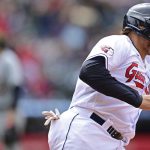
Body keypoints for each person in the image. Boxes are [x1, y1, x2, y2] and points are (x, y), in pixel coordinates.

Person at [42, 3, 150, 150]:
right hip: (87, 130)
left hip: (114, 141)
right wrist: (136, 99)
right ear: (142, 26)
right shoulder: (120, 43)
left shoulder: (146, 64)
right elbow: (91, 72)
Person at [0, 37, 24, 150]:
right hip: (4, 109)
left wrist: (12, 111)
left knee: (11, 144)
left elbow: (16, 85)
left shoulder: (9, 59)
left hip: (8, 110)